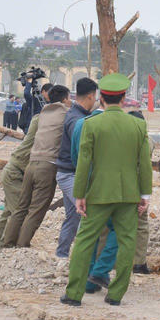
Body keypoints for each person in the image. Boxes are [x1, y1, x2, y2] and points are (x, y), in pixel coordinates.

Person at [61, 74, 152, 306]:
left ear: (101, 98)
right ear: (123, 99)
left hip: (98, 194)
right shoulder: (138, 125)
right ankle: (115, 295)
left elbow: (83, 163)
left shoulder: (91, 124)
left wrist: (79, 194)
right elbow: (144, 164)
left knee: (84, 241)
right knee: (127, 242)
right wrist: (145, 195)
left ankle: (74, 294)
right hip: (128, 195)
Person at [2, 84, 71, 248]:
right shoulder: (66, 114)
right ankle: (22, 245)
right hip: (47, 166)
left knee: (21, 207)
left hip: (31, 165)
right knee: (37, 209)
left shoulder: (43, 114)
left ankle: (8, 243)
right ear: (65, 99)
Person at [48, 78, 99, 258]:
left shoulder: (76, 114)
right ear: (91, 96)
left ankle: (61, 254)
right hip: (70, 175)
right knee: (88, 213)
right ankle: (86, 258)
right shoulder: (77, 120)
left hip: (67, 172)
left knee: (73, 216)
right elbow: (80, 156)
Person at [0, 110, 40, 250]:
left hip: (15, 172)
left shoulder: (39, 123)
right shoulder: (39, 122)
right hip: (15, 173)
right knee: (18, 212)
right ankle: (4, 246)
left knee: (9, 212)